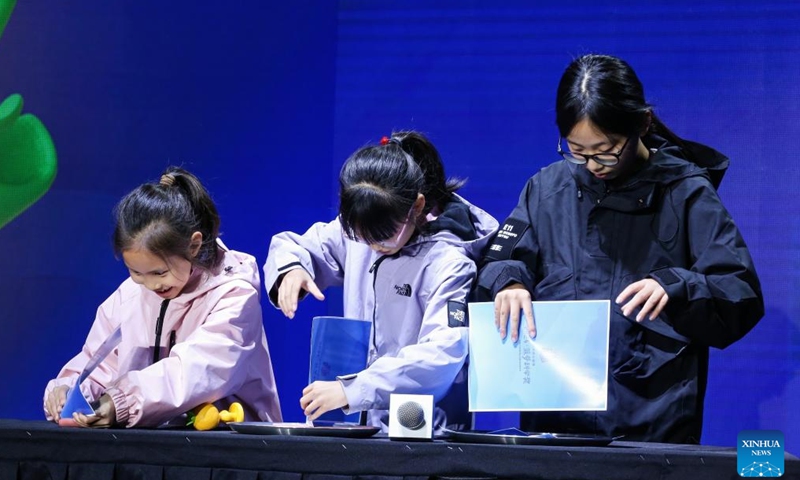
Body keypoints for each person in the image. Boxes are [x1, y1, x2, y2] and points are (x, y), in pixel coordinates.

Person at [474, 54, 764, 443]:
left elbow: (739, 293)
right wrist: (509, 282)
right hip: (556, 419)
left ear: (642, 123)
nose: (593, 164)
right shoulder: (547, 187)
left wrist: (674, 286)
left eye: (606, 149)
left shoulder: (686, 192)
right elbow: (498, 257)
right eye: (577, 150)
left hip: (651, 420)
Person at [264, 131, 498, 432]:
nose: (372, 246)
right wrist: (292, 267)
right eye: (361, 237)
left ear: (416, 206)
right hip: (358, 427)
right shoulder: (361, 229)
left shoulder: (449, 262)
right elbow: (297, 245)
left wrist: (353, 390)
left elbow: (442, 353)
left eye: (383, 238)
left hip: (423, 433)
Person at [43, 167, 282, 428]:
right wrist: (69, 389)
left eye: (159, 272)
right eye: (136, 272)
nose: (151, 284)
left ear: (194, 245)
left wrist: (122, 401)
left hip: (227, 449)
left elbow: (196, 371)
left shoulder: (234, 294)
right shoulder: (129, 295)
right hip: (153, 448)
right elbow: (100, 363)